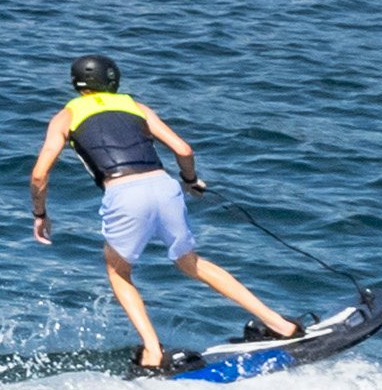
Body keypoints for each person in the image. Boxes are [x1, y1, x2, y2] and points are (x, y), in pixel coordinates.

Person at [29, 58, 300, 371]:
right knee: (190, 262)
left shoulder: (65, 117)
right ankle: (280, 325)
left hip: (123, 192)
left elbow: (39, 175)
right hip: (163, 184)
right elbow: (183, 150)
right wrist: (190, 180)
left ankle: (152, 351)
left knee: (118, 271)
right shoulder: (136, 107)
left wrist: (40, 213)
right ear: (113, 81)